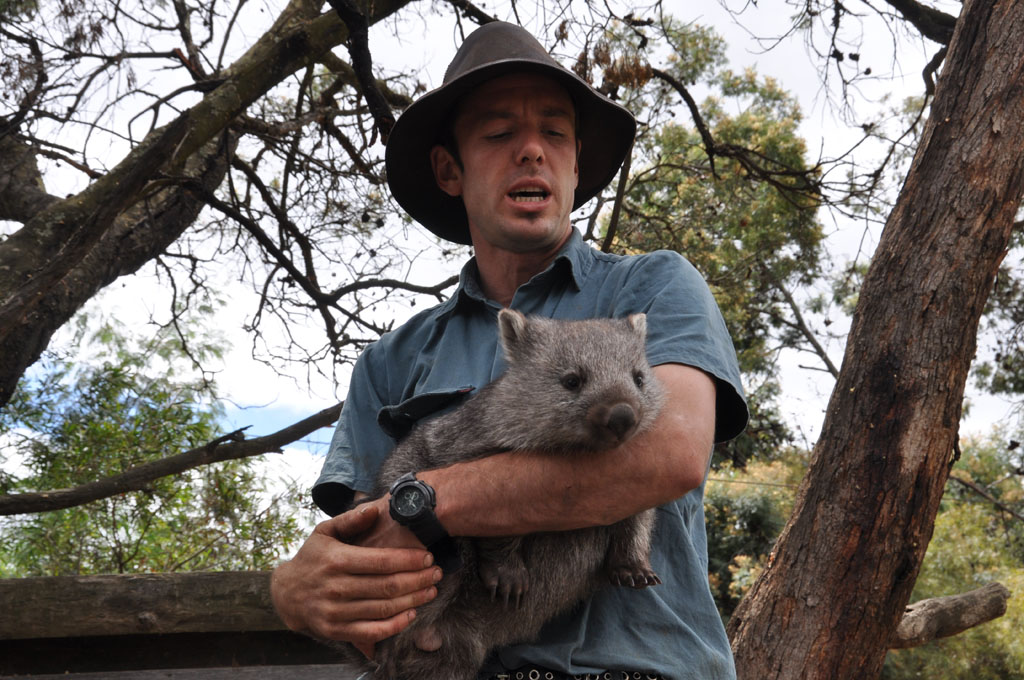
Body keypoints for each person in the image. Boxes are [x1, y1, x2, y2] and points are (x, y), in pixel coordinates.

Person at [270, 21, 748, 680]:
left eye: (555, 133)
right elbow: (368, 544)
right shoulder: (393, 361)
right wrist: (292, 591)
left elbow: (667, 456)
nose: (531, 150)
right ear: (450, 170)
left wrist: (430, 499)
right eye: (499, 134)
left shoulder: (653, 286)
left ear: (575, 165)